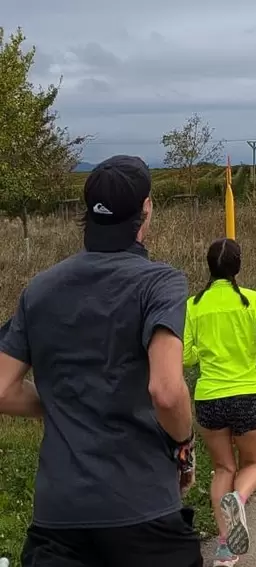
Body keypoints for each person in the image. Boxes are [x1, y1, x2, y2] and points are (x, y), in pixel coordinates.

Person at [0, 155, 202, 566]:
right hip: (144, 512)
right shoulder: (160, 283)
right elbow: (165, 391)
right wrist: (184, 447)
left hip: (59, 520)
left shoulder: (40, 289)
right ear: (146, 209)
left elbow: (2, 388)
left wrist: (61, 403)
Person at [183, 238, 256, 567]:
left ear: (209, 266)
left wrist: (203, 355)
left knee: (223, 467)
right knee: (253, 464)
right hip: (247, 392)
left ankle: (225, 550)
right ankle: (239, 498)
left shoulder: (193, 305)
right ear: (237, 266)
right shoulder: (254, 300)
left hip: (209, 396)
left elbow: (184, 354)